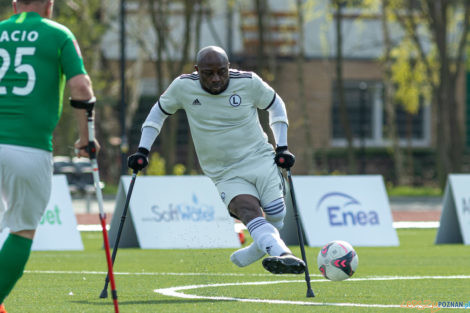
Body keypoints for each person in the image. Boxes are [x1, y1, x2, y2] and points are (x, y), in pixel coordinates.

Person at [128, 46, 305, 275]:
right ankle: (282, 254)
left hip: (260, 159)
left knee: (276, 213)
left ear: (229, 67)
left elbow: (276, 105)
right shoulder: (183, 86)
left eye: (222, 72)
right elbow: (157, 113)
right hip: (224, 172)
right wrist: (143, 150)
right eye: (208, 73)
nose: (216, 79)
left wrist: (282, 146)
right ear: (196, 70)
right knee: (248, 209)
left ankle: (256, 251)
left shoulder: (249, 82)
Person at [0, 0, 99, 311]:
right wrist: (86, 139)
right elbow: (81, 88)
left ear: (15, 5)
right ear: (49, 6)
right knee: (22, 229)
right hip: (28, 147)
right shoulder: (58, 34)